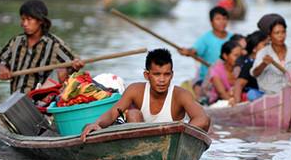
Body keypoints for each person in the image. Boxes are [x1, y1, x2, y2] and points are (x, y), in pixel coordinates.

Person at [80, 49, 210, 140]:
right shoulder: (135, 90)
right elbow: (113, 112)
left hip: (173, 142)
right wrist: (97, 124)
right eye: (157, 74)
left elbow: (203, 119)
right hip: (141, 143)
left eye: (166, 74)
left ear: (172, 75)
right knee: (133, 114)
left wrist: (178, 134)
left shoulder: (181, 94)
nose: (162, 80)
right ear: (147, 75)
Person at [0, 0, 84, 94]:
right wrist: (2, 68)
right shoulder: (16, 42)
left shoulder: (54, 44)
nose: (25, 24)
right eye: (23, 19)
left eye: (29, 19)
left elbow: (72, 62)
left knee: (62, 69)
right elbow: (1, 59)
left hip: (40, 100)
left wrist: (76, 64)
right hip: (15, 99)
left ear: (40, 21)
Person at [251, 16, 291, 97]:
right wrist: (263, 64)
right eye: (277, 33)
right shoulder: (263, 53)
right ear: (270, 36)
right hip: (271, 95)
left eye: (283, 32)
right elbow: (255, 73)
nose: (281, 36)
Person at [179, 7, 233, 82]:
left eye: (224, 19)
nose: (222, 22)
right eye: (218, 19)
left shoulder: (232, 38)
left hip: (228, 78)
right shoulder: (205, 39)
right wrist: (187, 52)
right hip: (207, 78)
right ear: (211, 22)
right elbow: (194, 51)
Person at [233, 30, 268, 103]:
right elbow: (238, 84)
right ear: (254, 49)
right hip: (255, 96)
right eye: (265, 45)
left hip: (268, 94)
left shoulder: (271, 62)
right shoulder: (249, 64)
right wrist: (237, 103)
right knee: (252, 94)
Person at [203, 40, 242, 105]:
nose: (239, 59)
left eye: (240, 56)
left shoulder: (238, 69)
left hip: (234, 99)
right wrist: (234, 103)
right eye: (236, 55)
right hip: (216, 101)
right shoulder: (216, 70)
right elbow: (221, 93)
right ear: (225, 56)